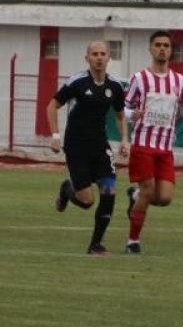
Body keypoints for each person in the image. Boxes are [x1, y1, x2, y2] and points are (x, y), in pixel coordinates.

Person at [122, 30, 183, 254]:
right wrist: (131, 114)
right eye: (158, 45)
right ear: (150, 48)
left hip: (165, 148)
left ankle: (135, 196)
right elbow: (122, 108)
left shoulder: (179, 81)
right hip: (143, 145)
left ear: (171, 50)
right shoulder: (139, 79)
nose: (162, 49)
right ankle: (132, 242)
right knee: (148, 190)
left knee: (164, 198)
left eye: (166, 45)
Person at [47, 41, 130, 255]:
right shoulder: (77, 82)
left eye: (103, 54)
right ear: (87, 58)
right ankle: (67, 189)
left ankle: (95, 245)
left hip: (100, 146)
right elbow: (52, 106)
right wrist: (55, 135)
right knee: (87, 201)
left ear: (109, 58)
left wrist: (124, 139)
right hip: (76, 146)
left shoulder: (115, 87)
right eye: (95, 54)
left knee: (110, 190)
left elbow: (120, 115)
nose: (99, 58)